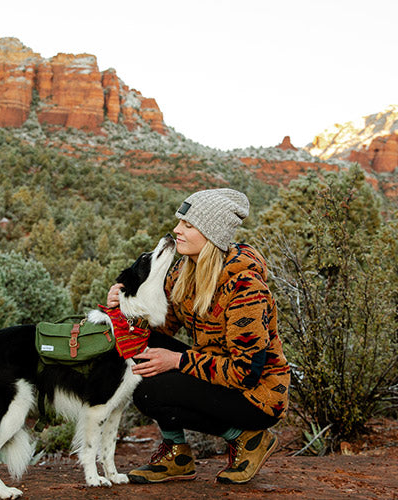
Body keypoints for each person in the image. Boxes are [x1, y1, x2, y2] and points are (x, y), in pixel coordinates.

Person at [107, 188, 290, 484]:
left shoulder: (245, 288)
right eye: (180, 222)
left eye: (188, 225)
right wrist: (123, 304)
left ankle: (249, 438)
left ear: (211, 234)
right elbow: (157, 331)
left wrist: (178, 361)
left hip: (257, 397)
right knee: (139, 356)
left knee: (148, 389)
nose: (177, 230)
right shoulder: (184, 272)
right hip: (215, 375)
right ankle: (177, 456)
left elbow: (246, 373)